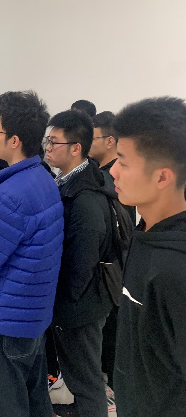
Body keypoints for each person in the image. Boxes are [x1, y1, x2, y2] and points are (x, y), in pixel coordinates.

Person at [0, 91, 64, 417]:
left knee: (1, 407)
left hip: (5, 321)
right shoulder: (43, 178)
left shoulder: (11, 193)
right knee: (34, 402)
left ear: (15, 140)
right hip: (33, 315)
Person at [111, 97, 186, 417]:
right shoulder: (144, 232)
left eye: (123, 162)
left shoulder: (175, 269)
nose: (113, 171)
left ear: (162, 177)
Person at [45, 110, 115, 417]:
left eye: (54, 142)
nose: (47, 147)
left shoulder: (85, 198)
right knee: (78, 373)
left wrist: (64, 304)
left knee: (86, 380)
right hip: (79, 303)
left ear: (76, 148)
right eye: (47, 140)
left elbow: (81, 265)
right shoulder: (70, 182)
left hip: (81, 306)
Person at [89, 110, 135, 392]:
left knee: (112, 333)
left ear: (109, 141)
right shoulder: (100, 173)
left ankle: (112, 389)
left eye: (92, 138)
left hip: (114, 266)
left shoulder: (112, 180)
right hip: (111, 266)